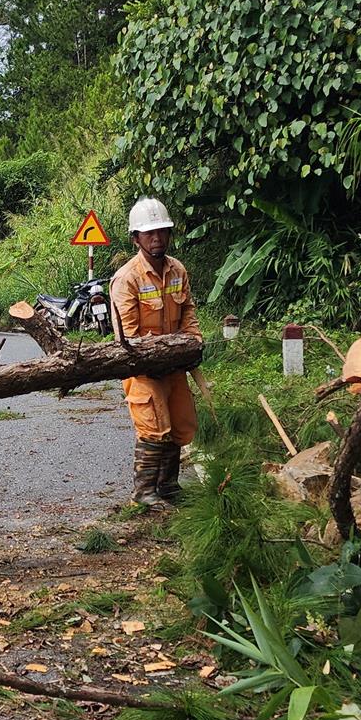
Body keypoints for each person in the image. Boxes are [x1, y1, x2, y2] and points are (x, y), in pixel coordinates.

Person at [108, 197, 202, 504]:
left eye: (162, 231)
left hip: (175, 365)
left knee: (179, 425)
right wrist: (150, 361)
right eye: (149, 233)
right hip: (143, 370)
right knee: (153, 427)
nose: (157, 238)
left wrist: (193, 343)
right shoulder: (127, 278)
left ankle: (169, 487)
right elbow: (127, 337)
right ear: (136, 238)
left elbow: (188, 311)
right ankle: (144, 492)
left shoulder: (178, 271)